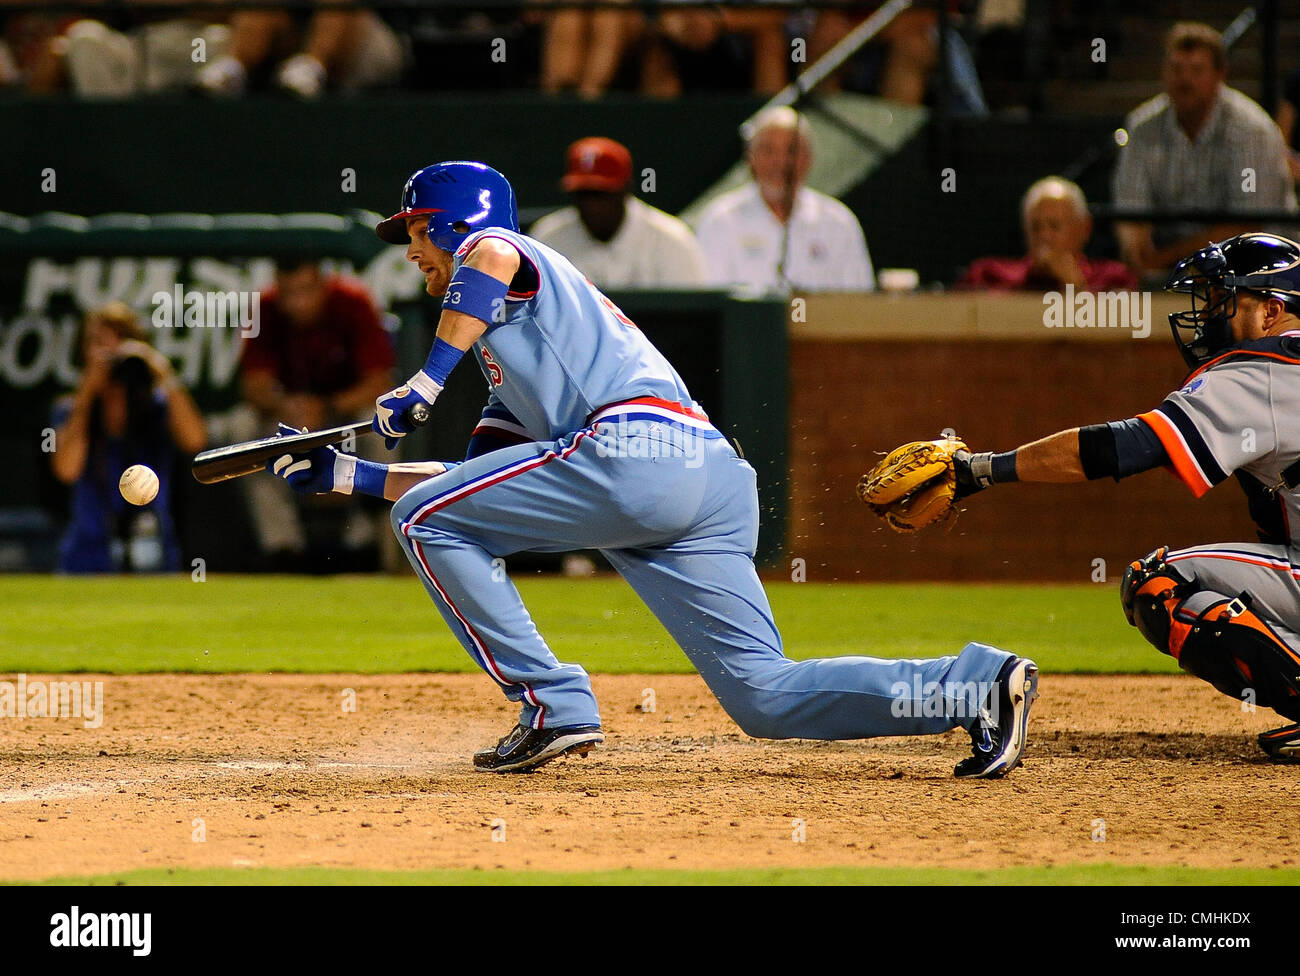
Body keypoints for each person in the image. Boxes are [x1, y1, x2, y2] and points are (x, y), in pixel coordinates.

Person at [264, 160, 1038, 778]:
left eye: (418, 230)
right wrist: (348, 477)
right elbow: (470, 488)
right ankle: (972, 686)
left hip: (633, 452)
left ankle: (553, 705)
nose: (412, 250)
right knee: (763, 696)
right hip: (701, 475)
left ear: (455, 221)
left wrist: (426, 381)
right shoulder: (518, 357)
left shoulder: (500, 252)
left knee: (424, 521)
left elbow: (490, 256)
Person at [937, 233, 1300, 764]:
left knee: (1158, 583)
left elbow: (1121, 449)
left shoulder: (1262, 371)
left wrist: (981, 471)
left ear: (1272, 310)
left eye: (1227, 300)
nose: (1212, 314)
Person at [236, 257, 395, 567]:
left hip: (346, 414)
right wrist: (286, 406)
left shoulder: (352, 301)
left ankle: (385, 554)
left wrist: (327, 407)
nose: (296, 303)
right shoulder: (267, 307)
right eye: (288, 293)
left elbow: (379, 383)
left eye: (305, 291)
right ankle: (283, 551)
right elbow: (253, 384)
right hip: (289, 419)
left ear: (324, 285)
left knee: (383, 429)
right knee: (244, 430)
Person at [1113, 23, 1297, 280]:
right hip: (1169, 271)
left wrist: (1167, 259)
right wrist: (1136, 250)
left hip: (1260, 270)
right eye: (1176, 69)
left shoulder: (1252, 130)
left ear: (1220, 75)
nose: (1185, 80)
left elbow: (1249, 225)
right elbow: (1130, 207)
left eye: (1196, 70)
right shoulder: (1143, 127)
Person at [49, 302, 206, 573]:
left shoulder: (159, 406)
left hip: (153, 554)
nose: (112, 352)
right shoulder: (70, 411)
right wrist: (87, 392)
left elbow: (195, 441)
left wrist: (161, 370)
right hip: (87, 555)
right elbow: (66, 470)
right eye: (98, 343)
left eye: (121, 341)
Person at [693, 107, 875, 294]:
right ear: (750, 158)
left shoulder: (838, 222)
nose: (781, 162)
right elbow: (712, 302)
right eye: (768, 150)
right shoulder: (721, 220)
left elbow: (859, 302)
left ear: (808, 158)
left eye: (791, 151)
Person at [530, 136, 708, 289]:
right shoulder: (547, 239)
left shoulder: (671, 240)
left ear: (625, 190)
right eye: (583, 194)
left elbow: (694, 319)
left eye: (601, 194)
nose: (592, 206)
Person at [958, 176, 1136, 292]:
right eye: (1035, 226)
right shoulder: (988, 276)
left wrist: (1076, 287)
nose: (1044, 236)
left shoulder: (1113, 279)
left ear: (1084, 228)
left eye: (1054, 226)